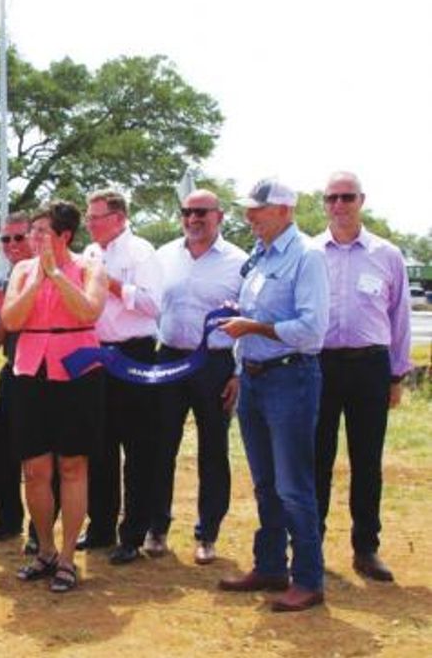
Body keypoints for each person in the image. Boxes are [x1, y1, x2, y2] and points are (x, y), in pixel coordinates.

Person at [218, 178, 329, 612]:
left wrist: (254, 327)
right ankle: (269, 565)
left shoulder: (308, 257)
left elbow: (311, 329)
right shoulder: (260, 256)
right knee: (266, 483)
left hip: (291, 378)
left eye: (257, 210)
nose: (249, 217)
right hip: (256, 377)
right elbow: (260, 315)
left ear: (284, 210)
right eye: (248, 210)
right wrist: (241, 320)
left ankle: (308, 579)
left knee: (294, 486)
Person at [1, 201, 107, 593]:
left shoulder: (90, 266)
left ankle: (67, 557)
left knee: (73, 467)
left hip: (77, 372)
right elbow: (11, 320)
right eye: (33, 231)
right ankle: (44, 549)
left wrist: (57, 275)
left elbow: (89, 311)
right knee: (35, 469)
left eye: (42, 231)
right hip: (30, 371)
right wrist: (36, 280)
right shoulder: (22, 270)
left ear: (65, 235)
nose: (34, 238)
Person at [314, 171, 412, 582]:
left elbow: (400, 317)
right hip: (319, 366)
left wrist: (396, 374)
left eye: (347, 197)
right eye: (332, 198)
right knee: (315, 459)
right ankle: (308, 545)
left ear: (362, 200)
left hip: (370, 366)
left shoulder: (386, 255)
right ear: (324, 203)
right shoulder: (310, 252)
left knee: (366, 461)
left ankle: (366, 548)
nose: (339, 205)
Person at [149, 189, 246, 565]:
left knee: (213, 452)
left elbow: (248, 320)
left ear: (219, 216)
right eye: (187, 212)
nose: (193, 219)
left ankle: (208, 534)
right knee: (161, 447)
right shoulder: (164, 257)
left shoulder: (239, 262)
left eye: (202, 212)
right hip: (170, 359)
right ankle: (157, 528)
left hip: (216, 365)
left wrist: (237, 373)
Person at [78, 189, 163, 565]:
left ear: (119, 217)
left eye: (96, 217)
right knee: (100, 445)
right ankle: (100, 527)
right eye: (88, 217)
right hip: (99, 355)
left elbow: (152, 305)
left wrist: (109, 283)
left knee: (138, 447)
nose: (90, 223)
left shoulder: (141, 252)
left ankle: (133, 533)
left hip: (135, 354)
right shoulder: (90, 253)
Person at [0, 212, 35, 545]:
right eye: (6, 239)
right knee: (1, 451)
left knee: (40, 456)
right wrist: (3, 315)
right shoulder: (0, 283)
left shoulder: (46, 275)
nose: (12, 245)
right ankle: (6, 521)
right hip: (13, 369)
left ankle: (38, 532)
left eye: (19, 237)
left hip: (44, 373)